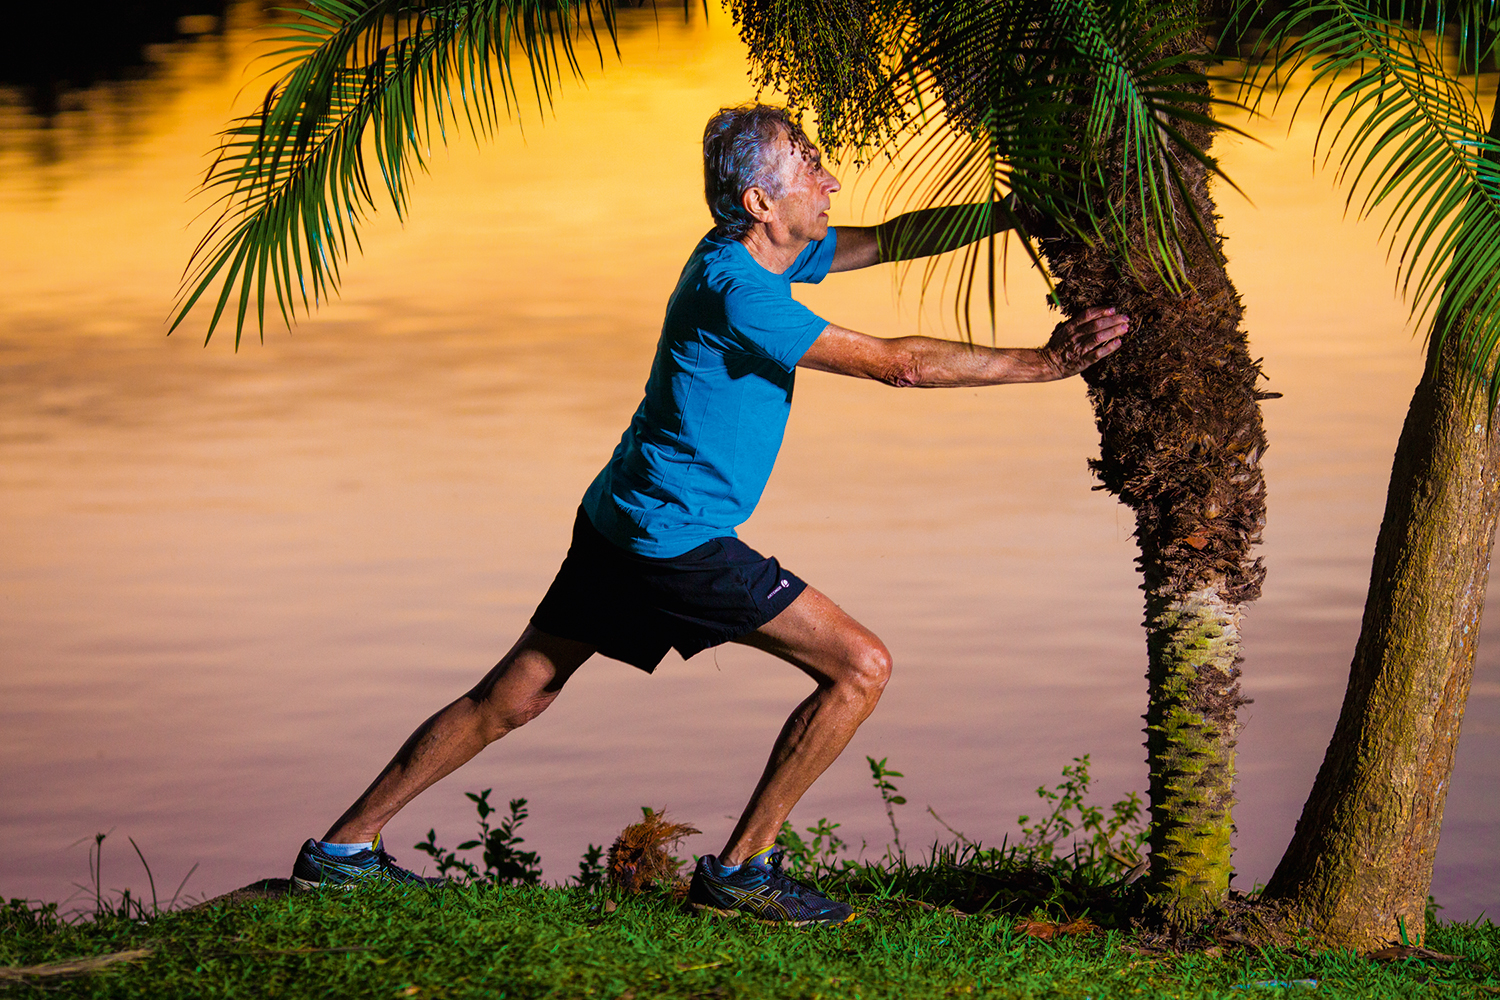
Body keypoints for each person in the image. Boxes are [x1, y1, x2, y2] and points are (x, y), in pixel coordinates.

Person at [291, 103, 1129, 925]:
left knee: (512, 699)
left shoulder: (754, 252)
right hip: (677, 541)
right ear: (761, 202)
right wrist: (1048, 361)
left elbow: (887, 240)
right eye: (810, 170)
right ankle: (740, 871)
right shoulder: (741, 294)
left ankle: (340, 853)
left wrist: (1007, 212)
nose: (832, 180)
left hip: (621, 518)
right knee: (859, 666)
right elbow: (896, 365)